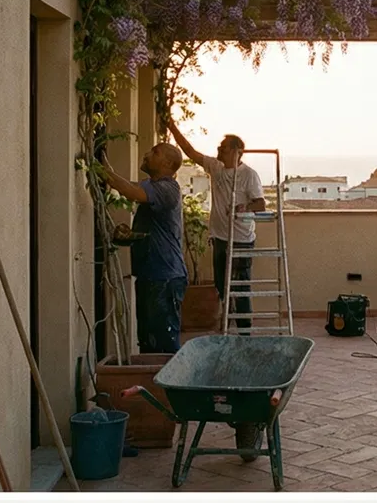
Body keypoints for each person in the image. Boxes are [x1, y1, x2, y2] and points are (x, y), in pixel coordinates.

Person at [167, 123, 265, 331]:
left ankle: (245, 330)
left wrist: (244, 207)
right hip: (220, 237)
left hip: (241, 239)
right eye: (219, 147)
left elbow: (261, 204)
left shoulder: (249, 175)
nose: (219, 150)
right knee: (222, 286)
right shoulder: (215, 166)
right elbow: (190, 152)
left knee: (240, 286)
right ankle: (227, 324)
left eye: (224, 148)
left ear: (238, 151)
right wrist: (172, 127)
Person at [99, 142, 187, 353]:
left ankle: (171, 376)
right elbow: (131, 189)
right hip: (151, 275)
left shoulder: (168, 189)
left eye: (154, 152)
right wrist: (132, 236)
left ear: (167, 163)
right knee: (149, 342)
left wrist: (101, 170)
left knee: (164, 345)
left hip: (164, 278)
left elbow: (131, 191)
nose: (147, 154)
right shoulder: (152, 185)